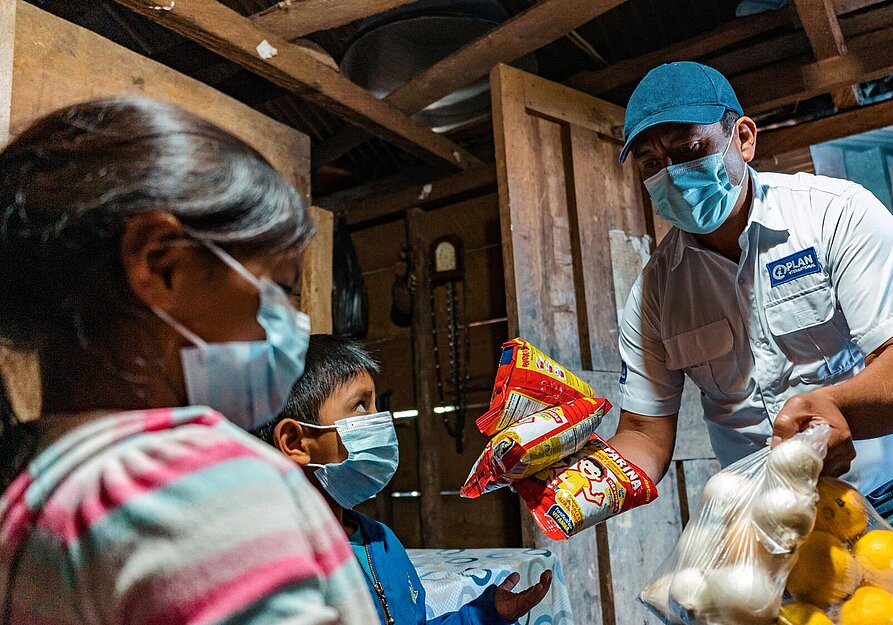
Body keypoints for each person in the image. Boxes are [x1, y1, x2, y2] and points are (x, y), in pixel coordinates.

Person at [607, 62, 893, 623]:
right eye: (652, 165)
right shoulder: (655, 292)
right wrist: (571, 490)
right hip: (770, 521)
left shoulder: (838, 214)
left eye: (690, 149)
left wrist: (837, 405)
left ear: (743, 137)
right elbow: (643, 435)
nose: (674, 175)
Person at [0, 97, 381, 625]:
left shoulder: (29, 476)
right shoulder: (199, 487)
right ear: (163, 266)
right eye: (279, 292)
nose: (293, 326)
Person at [253, 334, 553, 625]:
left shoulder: (380, 541)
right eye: (360, 405)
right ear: (296, 442)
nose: (380, 419)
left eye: (375, 406)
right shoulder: (274, 567)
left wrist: (484, 615)